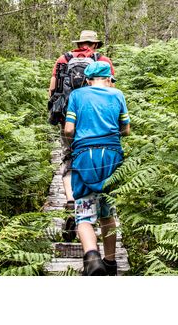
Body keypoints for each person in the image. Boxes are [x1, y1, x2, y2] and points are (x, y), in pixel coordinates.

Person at [63, 60, 130, 276]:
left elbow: (69, 129)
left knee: (83, 214)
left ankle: (92, 257)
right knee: (107, 212)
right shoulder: (117, 94)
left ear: (88, 79)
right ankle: (110, 263)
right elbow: (126, 129)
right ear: (109, 78)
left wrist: (74, 138)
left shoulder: (77, 95)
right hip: (111, 157)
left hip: (84, 156)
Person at [48, 30, 115, 241]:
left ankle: (70, 199)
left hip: (67, 120)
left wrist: (58, 114)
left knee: (69, 158)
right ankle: (95, 203)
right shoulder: (103, 61)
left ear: (79, 43)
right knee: (96, 163)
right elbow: (111, 92)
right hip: (94, 126)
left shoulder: (63, 59)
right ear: (94, 44)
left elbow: (52, 91)